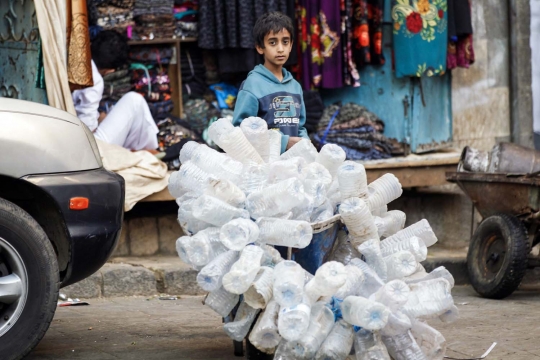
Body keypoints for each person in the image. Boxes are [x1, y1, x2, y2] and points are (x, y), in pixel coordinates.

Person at [232, 11, 308, 153]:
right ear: (260, 47)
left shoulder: (295, 87)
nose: (280, 49)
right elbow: (241, 130)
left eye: (285, 42)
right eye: (273, 42)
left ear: (291, 45)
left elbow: (300, 127)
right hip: (264, 166)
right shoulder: (253, 85)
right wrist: (284, 142)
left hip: (292, 164)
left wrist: (306, 145)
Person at [72, 30, 159, 152]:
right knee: (135, 100)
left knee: (109, 115)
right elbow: (87, 128)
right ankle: (150, 152)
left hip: (71, 138)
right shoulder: (94, 80)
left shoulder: (75, 60)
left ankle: (142, 151)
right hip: (88, 151)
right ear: (110, 71)